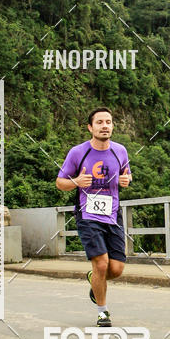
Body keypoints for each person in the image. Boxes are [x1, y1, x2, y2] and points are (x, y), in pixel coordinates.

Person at [56, 108, 131, 326]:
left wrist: (126, 180)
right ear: (91, 127)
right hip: (87, 214)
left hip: (113, 214)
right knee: (101, 264)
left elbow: (127, 173)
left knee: (115, 270)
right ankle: (103, 312)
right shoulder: (78, 153)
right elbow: (60, 183)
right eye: (99, 122)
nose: (105, 125)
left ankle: (94, 281)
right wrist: (76, 182)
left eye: (108, 121)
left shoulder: (120, 151)